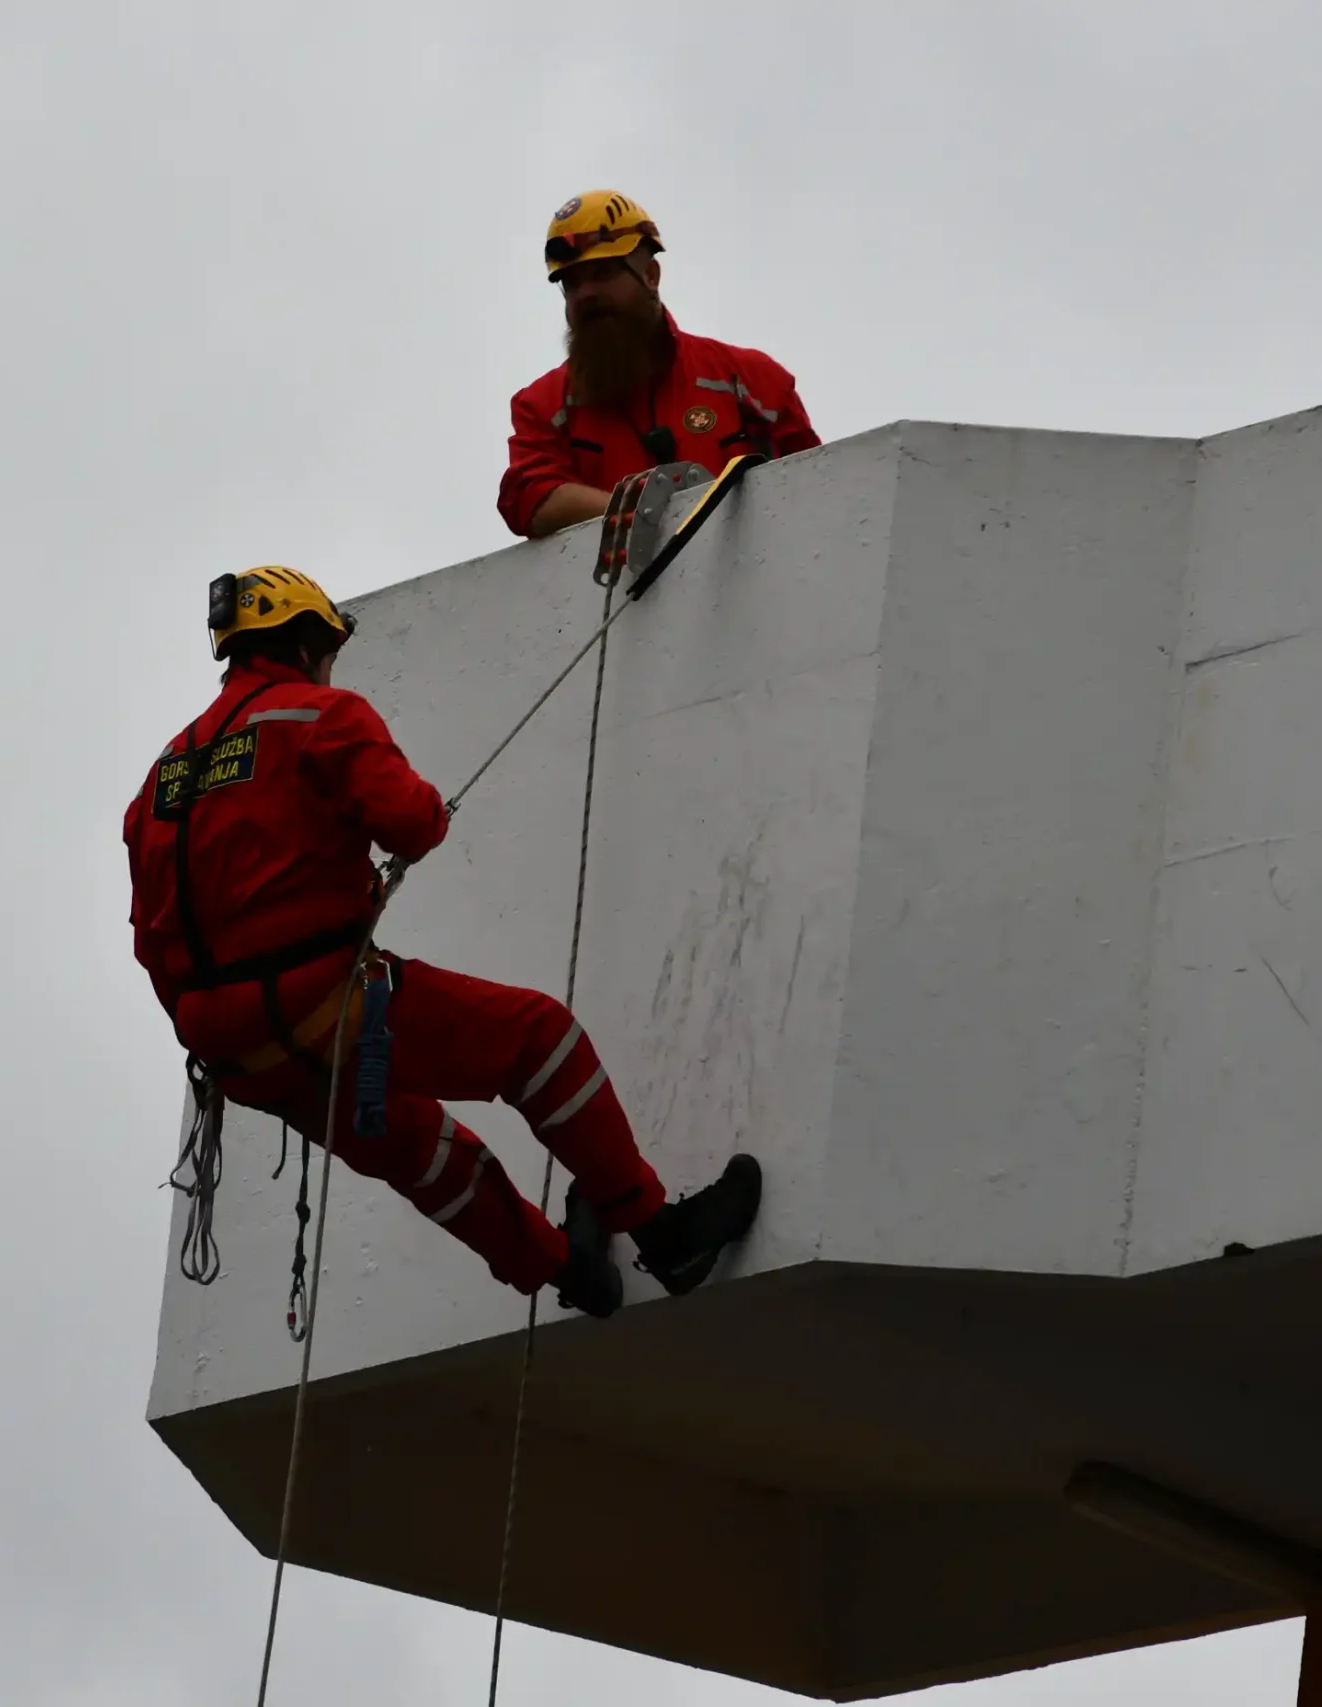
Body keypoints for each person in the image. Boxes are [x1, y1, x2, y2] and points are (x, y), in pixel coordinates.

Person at [124, 565, 762, 1316]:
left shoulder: (161, 777)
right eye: (327, 647)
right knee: (536, 1039)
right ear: (302, 644)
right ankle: (659, 1230)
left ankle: (573, 1274)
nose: (332, 664)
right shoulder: (321, 715)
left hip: (239, 1060)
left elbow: (149, 937)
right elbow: (413, 823)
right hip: (324, 1009)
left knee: (421, 1149)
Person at [497, 190, 822, 539]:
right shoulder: (542, 406)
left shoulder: (754, 381)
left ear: (651, 275)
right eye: (572, 283)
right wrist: (649, 517)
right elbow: (529, 497)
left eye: (603, 272)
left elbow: (822, 487)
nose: (585, 294)